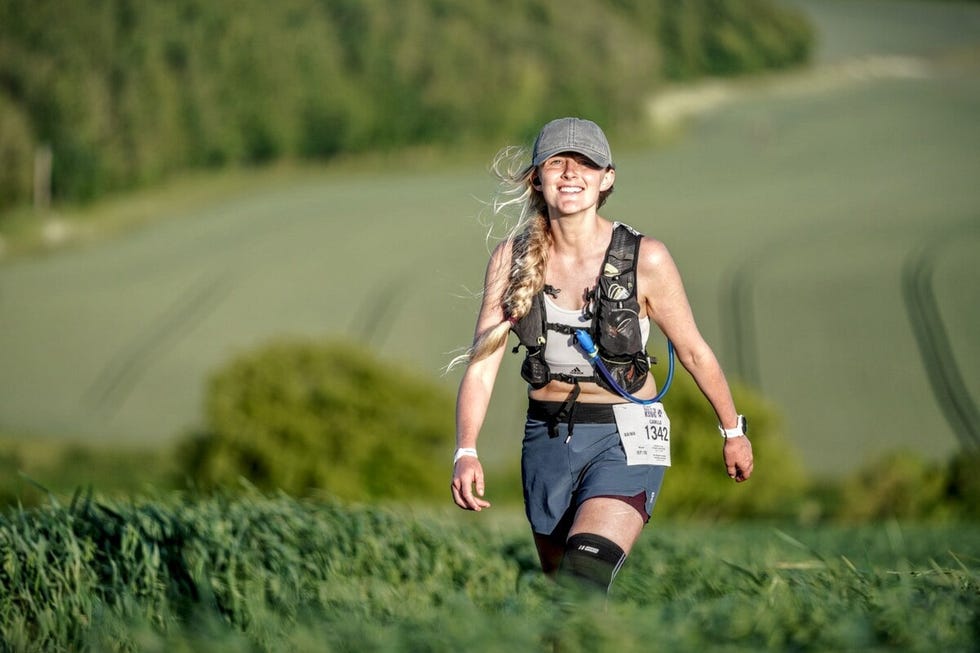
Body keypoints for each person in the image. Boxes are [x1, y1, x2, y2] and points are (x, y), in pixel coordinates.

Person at [450, 117, 753, 595]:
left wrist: (732, 430)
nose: (571, 174)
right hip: (546, 437)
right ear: (537, 177)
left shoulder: (646, 259)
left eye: (586, 164)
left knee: (583, 580)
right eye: (557, 163)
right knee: (562, 599)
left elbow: (694, 351)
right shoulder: (510, 260)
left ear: (606, 178)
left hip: (626, 436)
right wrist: (466, 450)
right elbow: (483, 366)